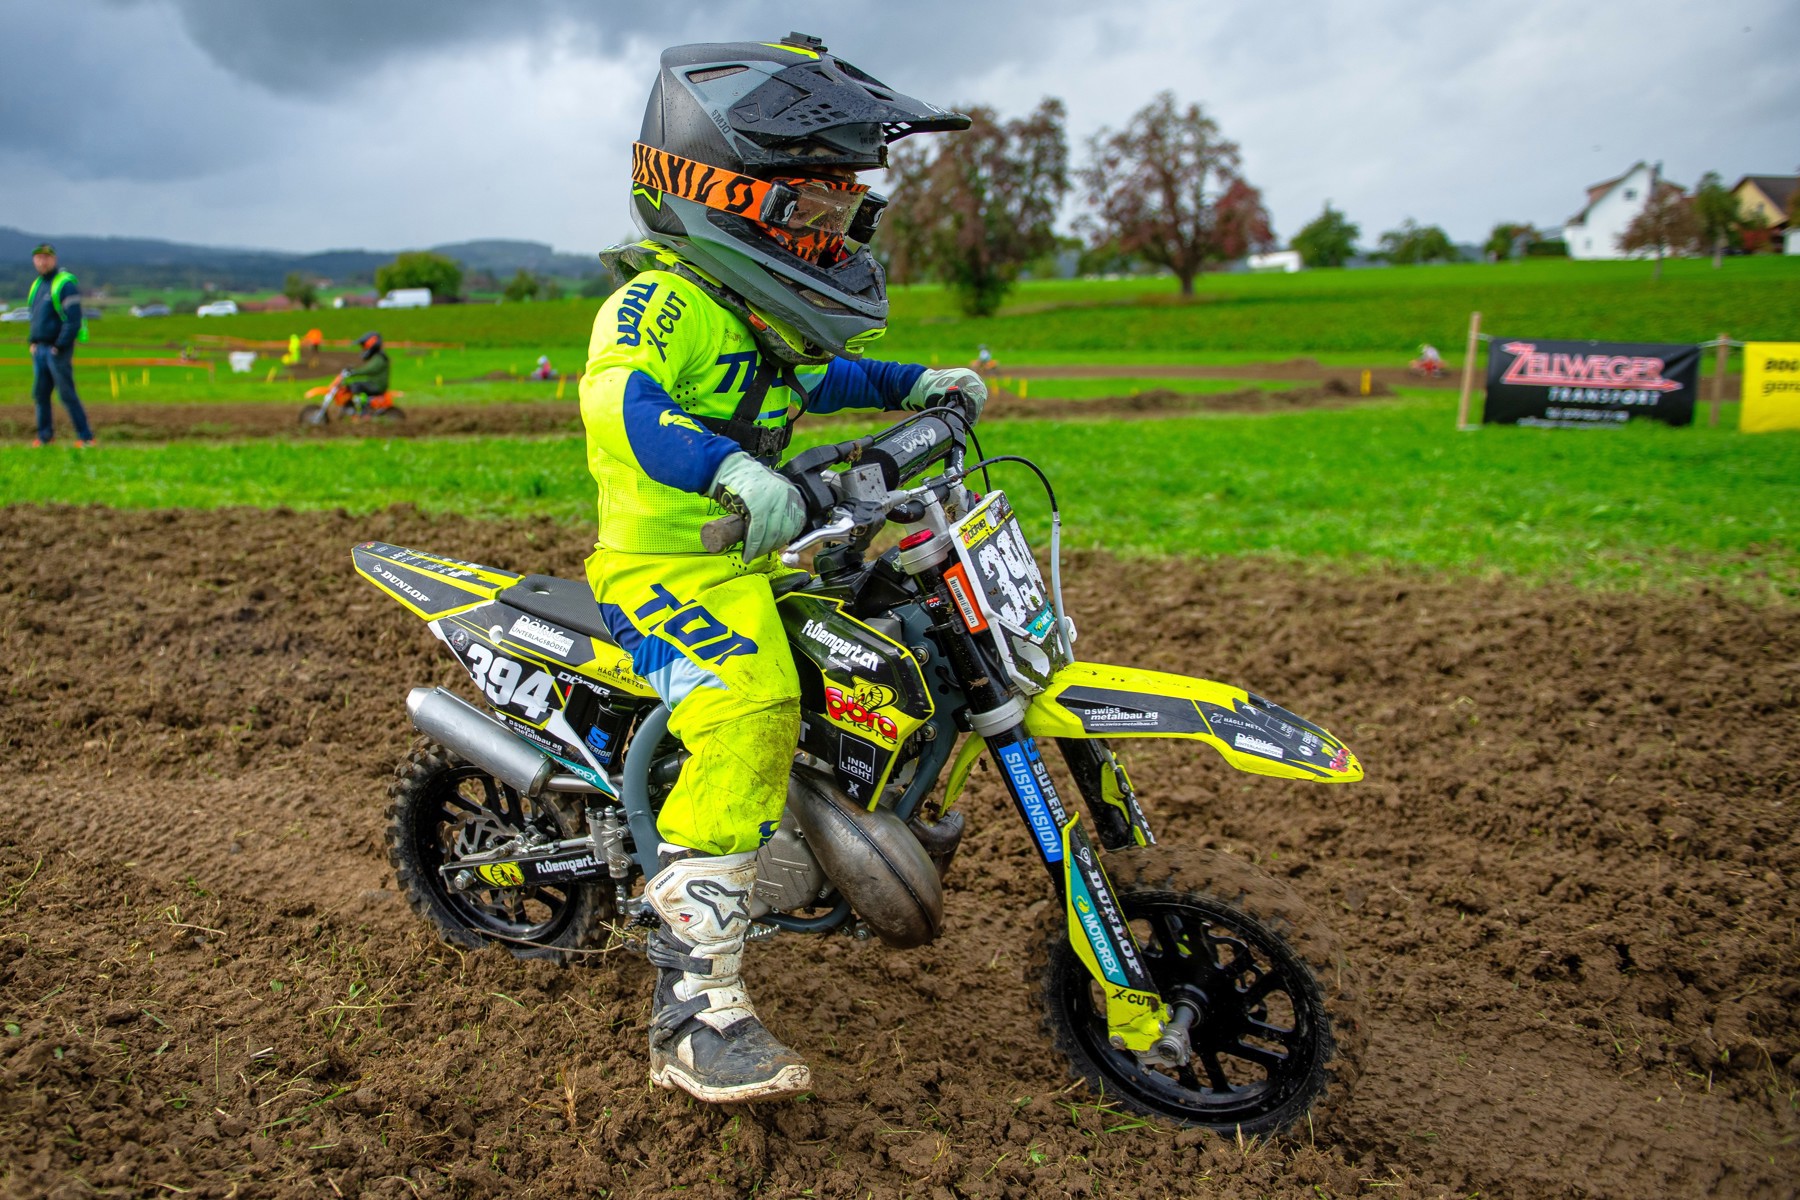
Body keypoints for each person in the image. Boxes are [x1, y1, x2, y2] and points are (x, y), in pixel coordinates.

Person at [581, 34, 977, 1105]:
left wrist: (916, 385)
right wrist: (725, 468)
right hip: (670, 567)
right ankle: (692, 1008)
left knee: (890, 641)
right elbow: (624, 403)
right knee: (754, 703)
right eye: (815, 209)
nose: (834, 233)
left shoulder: (760, 315)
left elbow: (822, 376)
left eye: (848, 211)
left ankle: (841, 831)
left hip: (762, 556)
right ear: (726, 195)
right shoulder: (662, 304)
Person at [25, 243, 95, 448]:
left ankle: (85, 437)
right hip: (40, 349)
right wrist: (33, 342)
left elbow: (73, 320)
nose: (42, 262)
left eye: (46, 258)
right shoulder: (37, 285)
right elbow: (35, 317)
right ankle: (45, 437)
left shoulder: (64, 284)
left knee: (66, 394)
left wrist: (59, 345)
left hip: (57, 350)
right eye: (38, 258)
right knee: (40, 394)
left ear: (54, 259)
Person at [341, 330, 390, 408]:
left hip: (377, 386)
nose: (363, 349)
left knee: (356, 386)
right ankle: (356, 407)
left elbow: (370, 369)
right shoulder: (376, 357)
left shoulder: (379, 358)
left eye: (364, 346)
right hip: (374, 383)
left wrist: (354, 372)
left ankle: (361, 409)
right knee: (352, 385)